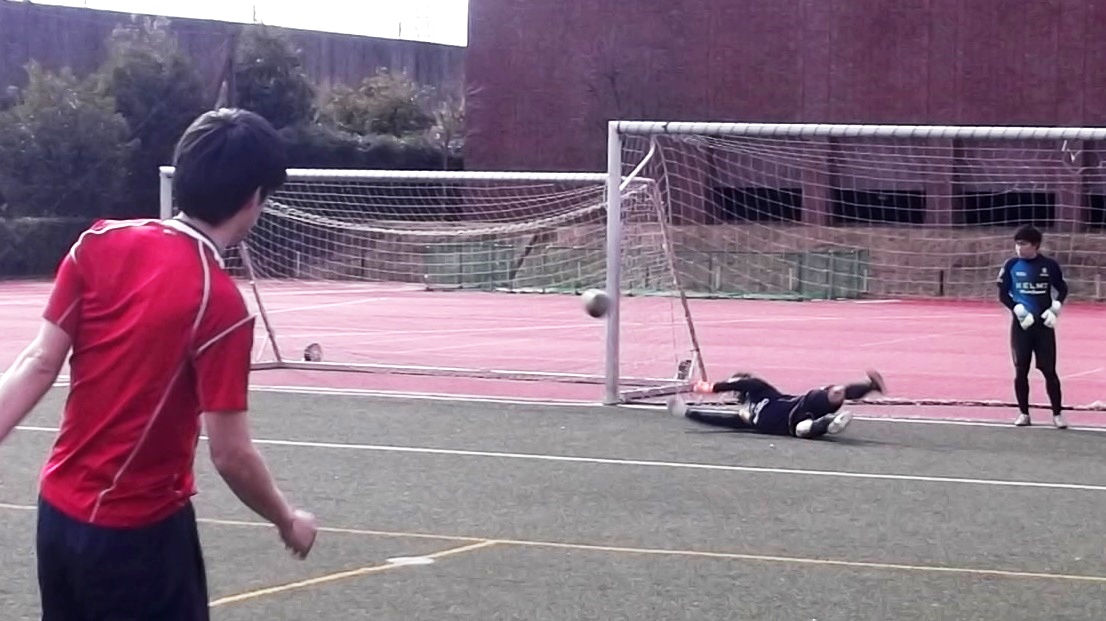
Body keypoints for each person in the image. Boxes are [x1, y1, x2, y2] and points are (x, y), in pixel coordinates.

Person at [0, 108, 317, 620]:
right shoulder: (220, 305)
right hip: (137, 535)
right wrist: (286, 517)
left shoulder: (97, 243)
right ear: (254, 198)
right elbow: (231, 453)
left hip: (57, 514)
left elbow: (38, 361)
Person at [668, 370, 887, 440]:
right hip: (792, 427)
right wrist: (688, 412)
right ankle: (830, 424)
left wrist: (713, 387)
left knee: (835, 392)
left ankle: (870, 385)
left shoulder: (759, 389)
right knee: (803, 429)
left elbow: (745, 383)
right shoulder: (745, 415)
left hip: (800, 405)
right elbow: (721, 420)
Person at [996, 224, 1069, 429]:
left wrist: (1055, 308)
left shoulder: (1049, 265)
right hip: (1022, 325)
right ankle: (1024, 413)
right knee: (1021, 369)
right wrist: (1017, 309)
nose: (1019, 248)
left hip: (1044, 325)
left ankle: (1057, 414)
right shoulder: (1011, 265)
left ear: (1035, 245)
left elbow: (1062, 289)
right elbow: (1003, 294)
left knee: (1049, 370)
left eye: (1024, 244)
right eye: (1017, 244)